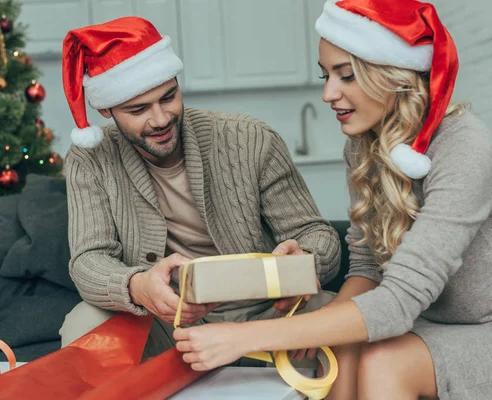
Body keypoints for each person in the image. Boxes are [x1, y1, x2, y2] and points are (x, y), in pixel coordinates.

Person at [173, 0, 492, 398]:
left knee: (383, 362)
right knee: (339, 347)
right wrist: (324, 322)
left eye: (345, 76)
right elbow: (368, 269)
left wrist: (244, 337)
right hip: (422, 322)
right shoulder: (363, 146)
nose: (328, 93)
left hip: (479, 330)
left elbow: (397, 302)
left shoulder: (464, 146)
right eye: (326, 75)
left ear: (393, 74)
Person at [58, 16, 341, 361]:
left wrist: (306, 265)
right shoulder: (91, 160)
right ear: (106, 108)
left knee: (344, 315)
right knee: (86, 323)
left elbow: (316, 233)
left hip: (268, 317)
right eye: (139, 109)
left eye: (168, 97)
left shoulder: (251, 139)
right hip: (170, 324)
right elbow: (88, 260)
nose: (161, 119)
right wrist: (139, 287)